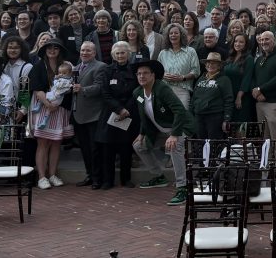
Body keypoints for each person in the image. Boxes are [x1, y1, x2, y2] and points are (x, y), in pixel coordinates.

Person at [132, 59, 196, 206]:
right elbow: (143, 115)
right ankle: (159, 177)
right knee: (138, 146)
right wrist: (142, 133)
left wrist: (174, 134)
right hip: (161, 129)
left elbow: (179, 110)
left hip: (181, 126)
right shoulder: (137, 93)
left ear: (153, 75)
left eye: (145, 73)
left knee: (175, 147)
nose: (142, 76)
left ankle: (183, 187)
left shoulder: (162, 88)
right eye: (139, 74)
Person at [30, 38, 74, 189]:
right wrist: (48, 104)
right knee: (43, 143)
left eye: (56, 48)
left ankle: (53, 174)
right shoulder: (38, 66)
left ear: (60, 50)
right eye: (49, 48)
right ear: (44, 50)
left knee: (56, 142)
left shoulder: (67, 66)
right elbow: (36, 89)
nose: (52, 50)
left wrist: (56, 105)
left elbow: (71, 86)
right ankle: (42, 177)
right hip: (43, 107)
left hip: (60, 108)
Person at [103, 42, 141, 189]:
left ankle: (126, 179)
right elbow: (105, 94)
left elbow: (138, 92)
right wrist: (119, 109)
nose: (120, 55)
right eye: (117, 53)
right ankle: (108, 180)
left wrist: (126, 110)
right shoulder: (107, 70)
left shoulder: (134, 70)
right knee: (109, 149)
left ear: (128, 54)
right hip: (112, 113)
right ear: (113, 55)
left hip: (130, 113)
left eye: (123, 53)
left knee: (126, 148)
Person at [71, 41, 108, 189]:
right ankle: (90, 175)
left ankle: (97, 178)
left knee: (94, 149)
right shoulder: (76, 68)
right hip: (78, 114)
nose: (84, 53)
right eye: (82, 50)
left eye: (88, 51)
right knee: (85, 149)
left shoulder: (100, 67)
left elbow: (100, 87)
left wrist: (83, 89)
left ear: (94, 53)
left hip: (94, 114)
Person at [251, 31, 276, 139]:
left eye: (267, 39)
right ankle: (266, 156)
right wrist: (257, 93)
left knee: (275, 138)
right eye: (262, 40)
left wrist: (261, 89)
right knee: (264, 138)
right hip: (260, 102)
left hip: (274, 103)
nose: (264, 42)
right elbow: (254, 78)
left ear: (274, 41)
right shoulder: (259, 59)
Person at [190, 52, 233, 138]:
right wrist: (190, 115)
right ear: (205, 65)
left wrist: (226, 119)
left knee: (214, 145)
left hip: (215, 117)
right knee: (200, 143)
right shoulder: (200, 79)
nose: (210, 65)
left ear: (219, 66)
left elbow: (229, 100)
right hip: (198, 116)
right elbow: (194, 98)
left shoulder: (224, 80)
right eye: (208, 62)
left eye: (214, 63)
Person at [158, 23, 200, 108]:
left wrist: (183, 77)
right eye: (171, 33)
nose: (173, 35)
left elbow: (196, 71)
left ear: (181, 35)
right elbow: (157, 72)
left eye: (176, 33)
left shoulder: (190, 51)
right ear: (167, 36)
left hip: (182, 91)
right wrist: (163, 75)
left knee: (182, 117)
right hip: (165, 90)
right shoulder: (163, 53)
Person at [224, 34, 255, 124]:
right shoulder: (230, 57)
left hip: (241, 97)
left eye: (241, 42)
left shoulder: (249, 59)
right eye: (236, 41)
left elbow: (247, 79)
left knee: (239, 124)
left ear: (246, 44)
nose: (237, 44)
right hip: (229, 95)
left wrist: (239, 97)